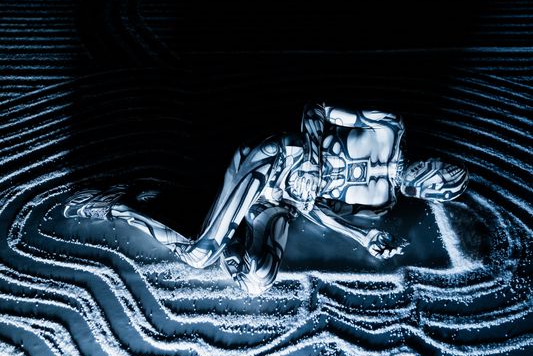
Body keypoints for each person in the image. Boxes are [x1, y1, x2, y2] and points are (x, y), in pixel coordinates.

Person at [64, 103, 469, 296]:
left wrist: (361, 238)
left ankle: (205, 213)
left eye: (433, 192)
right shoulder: (389, 128)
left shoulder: (381, 204)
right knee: (200, 255)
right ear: (433, 163)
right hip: (275, 161)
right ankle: (120, 205)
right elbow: (316, 111)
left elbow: (317, 212)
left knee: (256, 280)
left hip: (280, 202)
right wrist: (312, 162)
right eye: (435, 177)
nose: (425, 186)